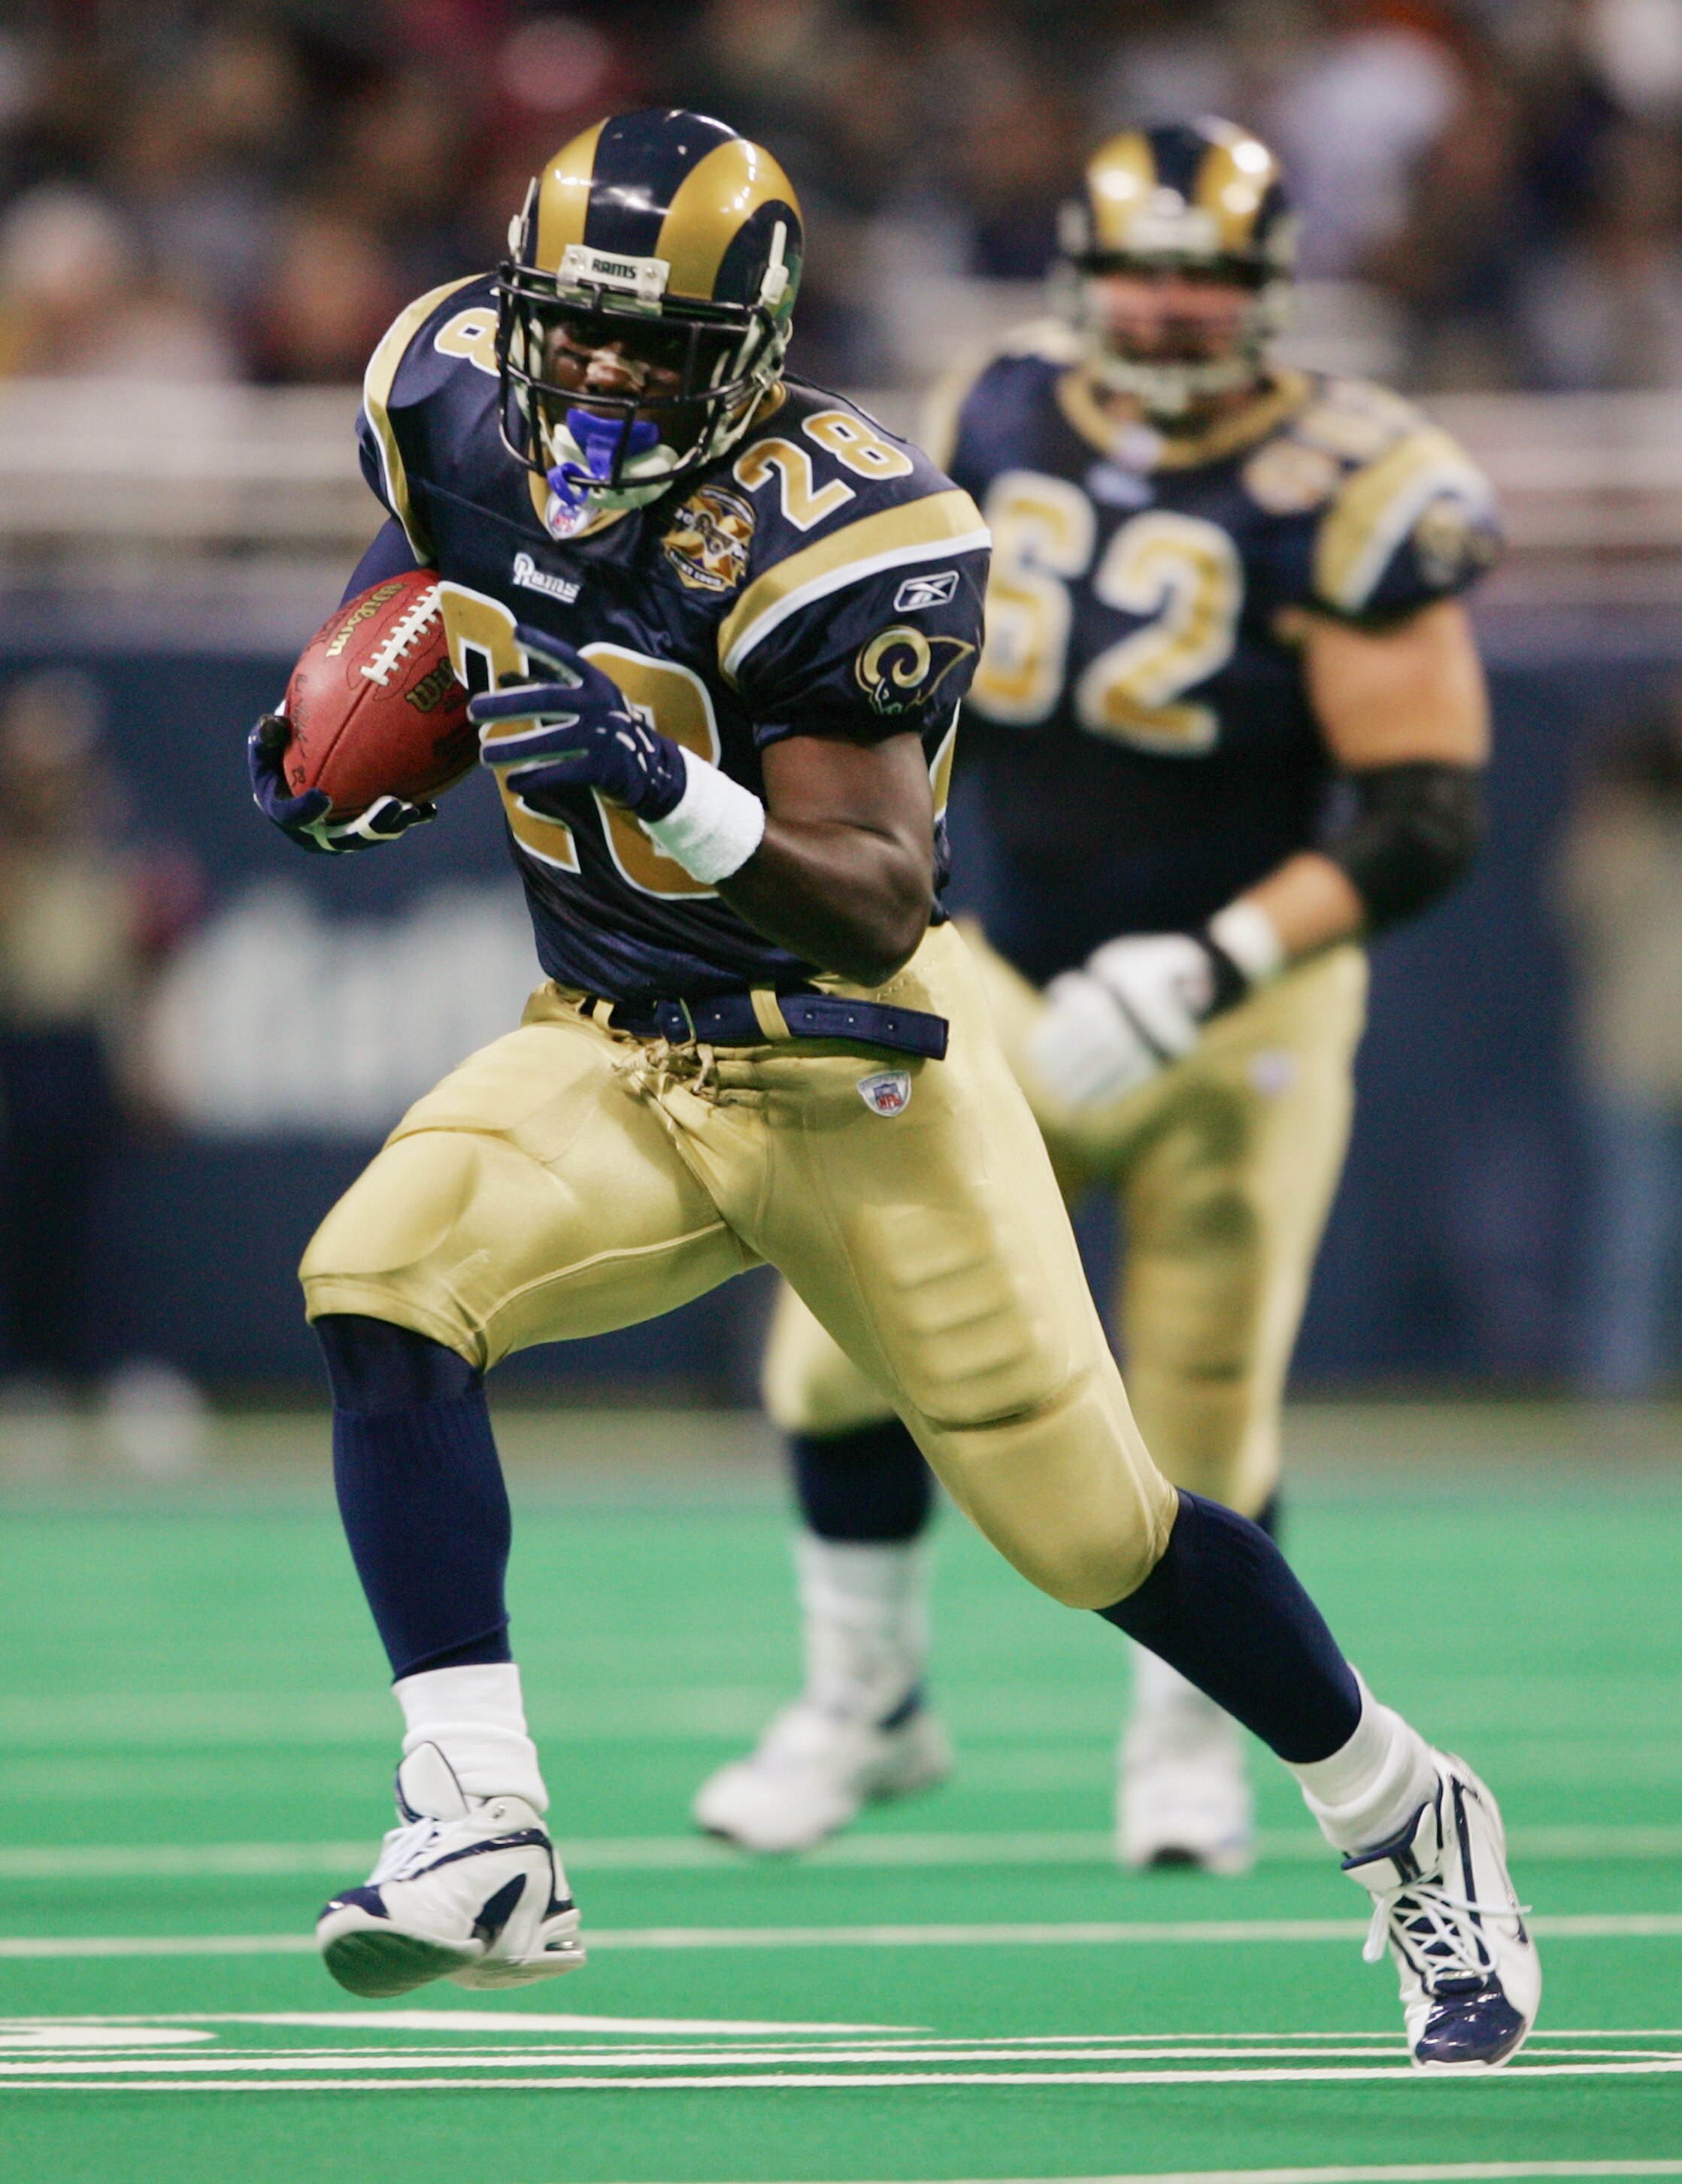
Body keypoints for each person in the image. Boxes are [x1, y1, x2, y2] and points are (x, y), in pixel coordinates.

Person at [248, 108, 1536, 2069]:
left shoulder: (857, 525)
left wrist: (665, 780)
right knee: (380, 1283)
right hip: (603, 1049)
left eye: (649, 342)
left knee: (1094, 1533)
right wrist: (356, 727)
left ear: (751, 348)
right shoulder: (442, 388)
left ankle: (1394, 1804)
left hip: (854, 1078)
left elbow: (873, 901)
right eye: (569, 330)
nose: (594, 375)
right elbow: (433, 574)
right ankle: (481, 1828)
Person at [696, 118, 1500, 1874]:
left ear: (1267, 294)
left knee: (1203, 1385)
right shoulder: (990, 402)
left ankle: (1188, 1743)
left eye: (1202, 277)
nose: (1160, 308)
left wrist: (1219, 958)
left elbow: (1427, 812)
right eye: (1139, 267)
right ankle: (864, 1700)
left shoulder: (1358, 479)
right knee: (841, 1347)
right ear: (1080, 269)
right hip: (992, 959)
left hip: (1248, 991)